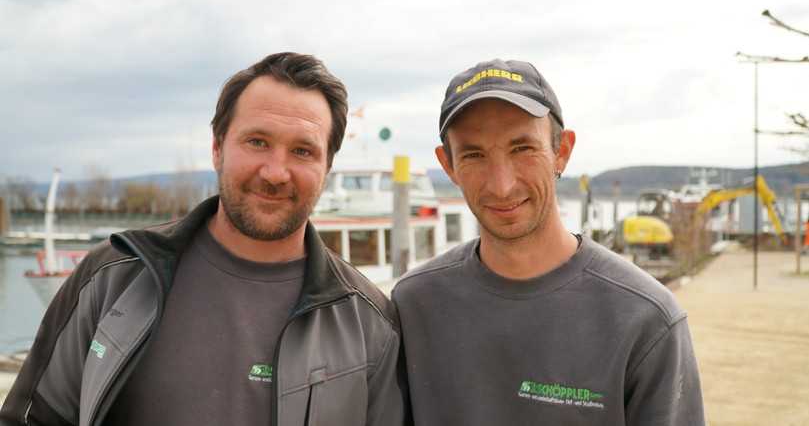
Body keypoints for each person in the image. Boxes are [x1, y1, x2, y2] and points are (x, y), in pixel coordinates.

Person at [1, 52, 408, 426]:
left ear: (327, 167)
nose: (275, 172)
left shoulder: (369, 323)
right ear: (217, 148)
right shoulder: (112, 276)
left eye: (302, 151)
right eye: (258, 142)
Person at [392, 59, 705, 425]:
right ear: (448, 165)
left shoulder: (645, 319)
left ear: (562, 151)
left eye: (522, 148)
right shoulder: (413, 306)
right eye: (474, 154)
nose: (501, 185)